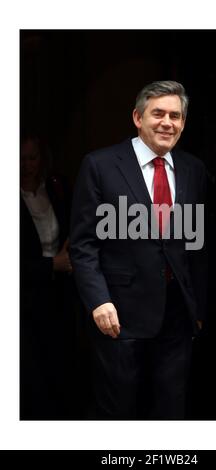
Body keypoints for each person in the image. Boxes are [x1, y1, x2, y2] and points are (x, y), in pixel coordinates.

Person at [70, 80, 208, 419]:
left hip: (177, 318)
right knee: (120, 413)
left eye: (175, 116)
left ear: (183, 123)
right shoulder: (100, 165)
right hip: (120, 317)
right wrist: (99, 301)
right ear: (137, 117)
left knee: (171, 412)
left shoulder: (194, 169)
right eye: (157, 113)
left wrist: (200, 306)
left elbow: (200, 245)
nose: (167, 122)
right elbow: (83, 244)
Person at [20, 134, 76, 419]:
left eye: (32, 158)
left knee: (62, 369)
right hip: (23, 301)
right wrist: (51, 265)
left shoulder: (55, 188)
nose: (27, 165)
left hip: (59, 295)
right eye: (21, 158)